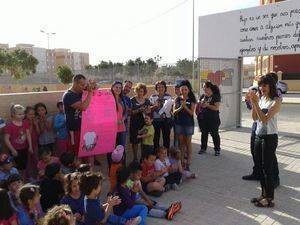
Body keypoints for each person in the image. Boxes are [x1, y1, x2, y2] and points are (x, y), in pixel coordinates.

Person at [247, 74, 281, 208]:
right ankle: (263, 194)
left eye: (265, 85)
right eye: (260, 85)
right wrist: (253, 102)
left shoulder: (276, 101)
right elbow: (255, 118)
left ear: (271, 86)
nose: (262, 88)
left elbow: (265, 119)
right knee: (260, 167)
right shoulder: (261, 99)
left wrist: (255, 103)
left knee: (268, 168)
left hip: (270, 137)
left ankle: (270, 198)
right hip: (258, 135)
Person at [62, 74, 96, 156]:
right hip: (74, 130)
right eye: (82, 84)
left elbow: (96, 88)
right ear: (74, 83)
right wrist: (90, 92)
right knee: (76, 153)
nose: (84, 87)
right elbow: (83, 107)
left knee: (86, 152)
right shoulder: (69, 95)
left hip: (83, 129)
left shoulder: (80, 92)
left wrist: (92, 85)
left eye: (84, 84)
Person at [4, 105, 33, 178]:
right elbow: (6, 139)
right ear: (13, 114)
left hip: (24, 148)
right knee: (16, 166)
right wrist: (12, 150)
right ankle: (18, 180)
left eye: (23, 114)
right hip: (15, 149)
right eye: (19, 114)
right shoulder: (9, 125)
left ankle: (23, 179)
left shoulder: (25, 123)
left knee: (24, 165)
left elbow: (28, 134)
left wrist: (30, 146)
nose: (22, 116)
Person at [173, 80, 196, 170]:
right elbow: (174, 112)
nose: (184, 91)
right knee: (181, 143)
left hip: (188, 124)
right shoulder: (177, 99)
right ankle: (182, 159)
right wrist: (180, 107)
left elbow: (191, 113)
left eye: (185, 89)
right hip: (179, 123)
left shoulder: (192, 100)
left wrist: (185, 107)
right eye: (182, 89)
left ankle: (189, 159)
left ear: (188, 90)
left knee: (188, 142)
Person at [197, 81, 221, 156]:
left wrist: (207, 105)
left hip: (213, 119)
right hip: (203, 119)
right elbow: (199, 104)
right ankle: (203, 148)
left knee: (214, 134)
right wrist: (199, 103)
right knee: (204, 134)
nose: (204, 88)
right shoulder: (203, 96)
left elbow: (216, 108)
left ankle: (217, 149)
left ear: (210, 88)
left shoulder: (215, 96)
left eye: (205, 87)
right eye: (203, 87)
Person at [149, 80, 173, 150]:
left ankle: (166, 155)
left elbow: (171, 108)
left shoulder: (168, 97)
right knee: (156, 138)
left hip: (166, 120)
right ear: (156, 88)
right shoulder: (153, 97)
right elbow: (149, 108)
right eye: (158, 87)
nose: (160, 88)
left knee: (166, 138)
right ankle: (156, 155)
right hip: (156, 120)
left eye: (162, 87)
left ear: (165, 88)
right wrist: (154, 106)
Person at [130, 83, 151, 161]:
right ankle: (135, 158)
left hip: (144, 123)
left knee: (144, 141)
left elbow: (149, 112)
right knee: (135, 142)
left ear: (144, 92)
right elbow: (130, 112)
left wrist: (146, 111)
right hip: (134, 123)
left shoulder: (147, 101)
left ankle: (143, 158)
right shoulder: (132, 100)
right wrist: (139, 110)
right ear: (136, 91)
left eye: (142, 91)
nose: (140, 93)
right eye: (138, 91)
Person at [108, 81, 127, 168]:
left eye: (120, 87)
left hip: (121, 128)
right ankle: (112, 169)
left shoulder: (122, 99)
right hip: (111, 129)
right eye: (116, 87)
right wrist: (114, 121)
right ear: (112, 87)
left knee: (121, 150)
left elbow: (125, 113)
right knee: (111, 150)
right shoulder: (108, 99)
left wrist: (122, 119)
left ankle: (122, 169)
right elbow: (105, 114)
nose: (118, 89)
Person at [24, 106, 40, 181]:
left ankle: (38, 175)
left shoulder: (35, 121)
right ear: (26, 115)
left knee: (36, 159)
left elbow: (38, 132)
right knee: (28, 161)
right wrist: (31, 124)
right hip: (27, 145)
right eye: (30, 114)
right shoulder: (25, 122)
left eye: (33, 114)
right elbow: (28, 133)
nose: (32, 116)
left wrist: (36, 124)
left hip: (35, 144)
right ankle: (28, 177)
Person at [173, 84, 181, 148]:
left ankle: (183, 153)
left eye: (178, 89)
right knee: (176, 137)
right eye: (175, 89)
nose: (176, 91)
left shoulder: (184, 98)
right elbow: (174, 111)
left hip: (183, 121)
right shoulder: (175, 98)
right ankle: (176, 153)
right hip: (176, 120)